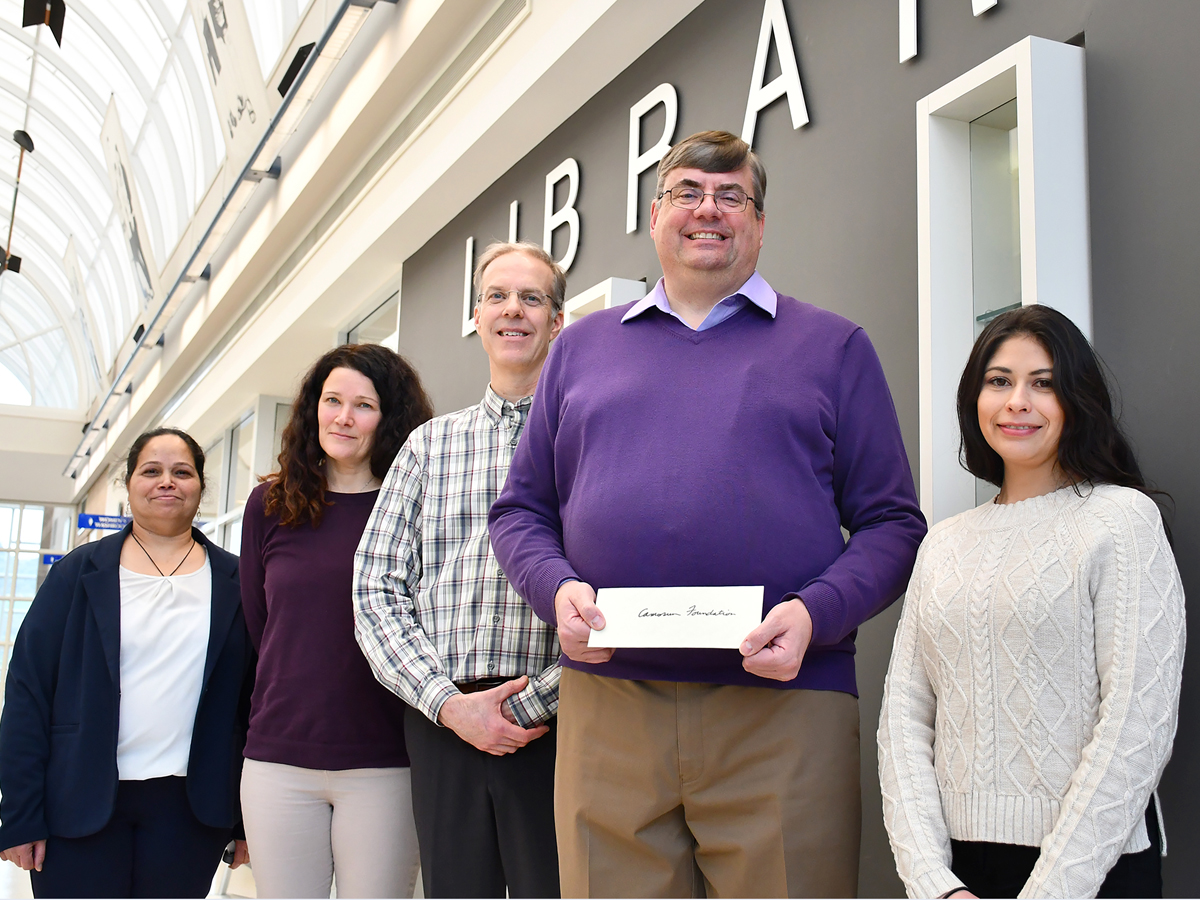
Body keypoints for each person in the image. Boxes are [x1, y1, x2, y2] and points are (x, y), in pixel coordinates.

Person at [487, 131, 927, 898]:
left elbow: (892, 522)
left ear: (759, 224)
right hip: (610, 706)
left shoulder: (834, 347)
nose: (708, 210)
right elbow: (522, 510)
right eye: (688, 191)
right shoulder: (580, 349)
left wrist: (816, 615)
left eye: (732, 196)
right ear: (656, 215)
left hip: (785, 705)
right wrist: (554, 591)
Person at [878, 305, 1186, 899]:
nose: (1017, 401)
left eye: (1042, 384)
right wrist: (932, 882)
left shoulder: (1120, 520)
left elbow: (1137, 725)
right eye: (999, 381)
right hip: (958, 870)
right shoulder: (943, 542)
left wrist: (1053, 889)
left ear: (1077, 400)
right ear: (976, 400)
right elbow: (903, 722)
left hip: (1095, 867)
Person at [354, 241, 565, 898]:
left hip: (558, 723)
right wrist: (447, 705)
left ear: (557, 320)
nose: (513, 311)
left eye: (531, 298)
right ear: (477, 316)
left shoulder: (589, 438)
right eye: (497, 296)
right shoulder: (428, 445)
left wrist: (536, 703)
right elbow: (376, 588)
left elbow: (620, 588)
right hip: (441, 721)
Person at [0, 428, 254, 898]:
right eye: (151, 471)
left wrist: (244, 820)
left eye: (182, 472)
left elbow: (252, 704)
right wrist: (19, 815)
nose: (167, 482)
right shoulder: (77, 573)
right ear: (130, 483)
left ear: (200, 485)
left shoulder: (237, 581)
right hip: (79, 800)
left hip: (189, 810)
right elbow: (27, 693)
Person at [238, 344, 433, 898]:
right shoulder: (269, 505)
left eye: (364, 405)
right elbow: (260, 624)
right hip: (278, 758)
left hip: (386, 761)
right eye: (332, 401)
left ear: (390, 417)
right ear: (312, 409)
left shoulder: (415, 506)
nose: (343, 418)